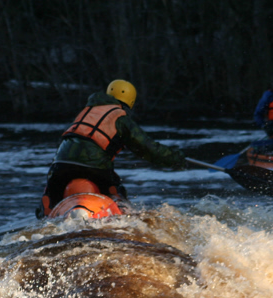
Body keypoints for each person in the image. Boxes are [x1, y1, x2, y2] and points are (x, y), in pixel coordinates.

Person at [37, 79, 186, 218]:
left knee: (52, 191)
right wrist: (175, 159)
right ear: (130, 100)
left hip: (60, 163)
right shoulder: (120, 117)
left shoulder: (88, 111)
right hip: (93, 165)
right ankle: (121, 210)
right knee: (114, 186)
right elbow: (147, 148)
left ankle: (47, 212)